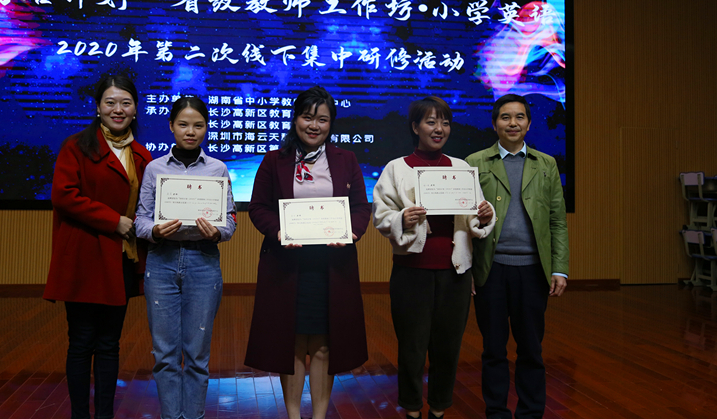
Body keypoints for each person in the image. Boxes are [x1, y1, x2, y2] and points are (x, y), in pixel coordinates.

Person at [244, 86, 371, 419]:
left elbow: (360, 207)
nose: (314, 125)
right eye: (307, 117)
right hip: (287, 266)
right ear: (295, 119)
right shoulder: (275, 160)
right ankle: (293, 415)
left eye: (322, 119)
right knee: (293, 343)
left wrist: (352, 232)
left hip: (333, 266)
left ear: (331, 123)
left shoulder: (346, 159)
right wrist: (278, 231)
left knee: (325, 344)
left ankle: (318, 416)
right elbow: (258, 207)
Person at [372, 96, 495, 419]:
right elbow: (381, 216)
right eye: (430, 122)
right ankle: (412, 409)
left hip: (455, 272)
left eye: (445, 122)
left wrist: (484, 215)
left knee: (448, 347)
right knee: (411, 347)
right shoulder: (397, 168)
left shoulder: (461, 168)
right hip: (411, 272)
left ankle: (439, 409)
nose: (439, 129)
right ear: (415, 127)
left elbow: (477, 216)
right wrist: (402, 219)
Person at [44, 75, 153, 419]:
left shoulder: (141, 155)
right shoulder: (76, 146)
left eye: (125, 103)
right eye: (110, 102)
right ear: (97, 107)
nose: (118, 109)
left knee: (108, 344)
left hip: (120, 260)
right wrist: (112, 220)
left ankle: (104, 414)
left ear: (135, 109)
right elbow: (64, 196)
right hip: (84, 257)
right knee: (81, 342)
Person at [465, 94, 569, 419]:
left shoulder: (546, 164)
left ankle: (531, 412)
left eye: (519, 117)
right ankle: (496, 412)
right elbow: (462, 221)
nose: (513, 123)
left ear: (529, 123)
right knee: (493, 349)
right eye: (505, 117)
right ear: (494, 123)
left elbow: (557, 221)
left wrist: (560, 269)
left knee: (531, 349)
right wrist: (467, 269)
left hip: (533, 271)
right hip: (490, 269)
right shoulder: (475, 162)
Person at [135, 96, 237, 419]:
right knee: (164, 355)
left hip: (203, 261)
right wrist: (155, 231)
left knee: (197, 356)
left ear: (206, 128)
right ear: (171, 126)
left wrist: (217, 232)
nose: (190, 131)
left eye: (198, 125)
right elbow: (141, 220)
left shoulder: (218, 168)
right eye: (183, 124)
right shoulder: (155, 169)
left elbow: (230, 221)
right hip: (161, 260)